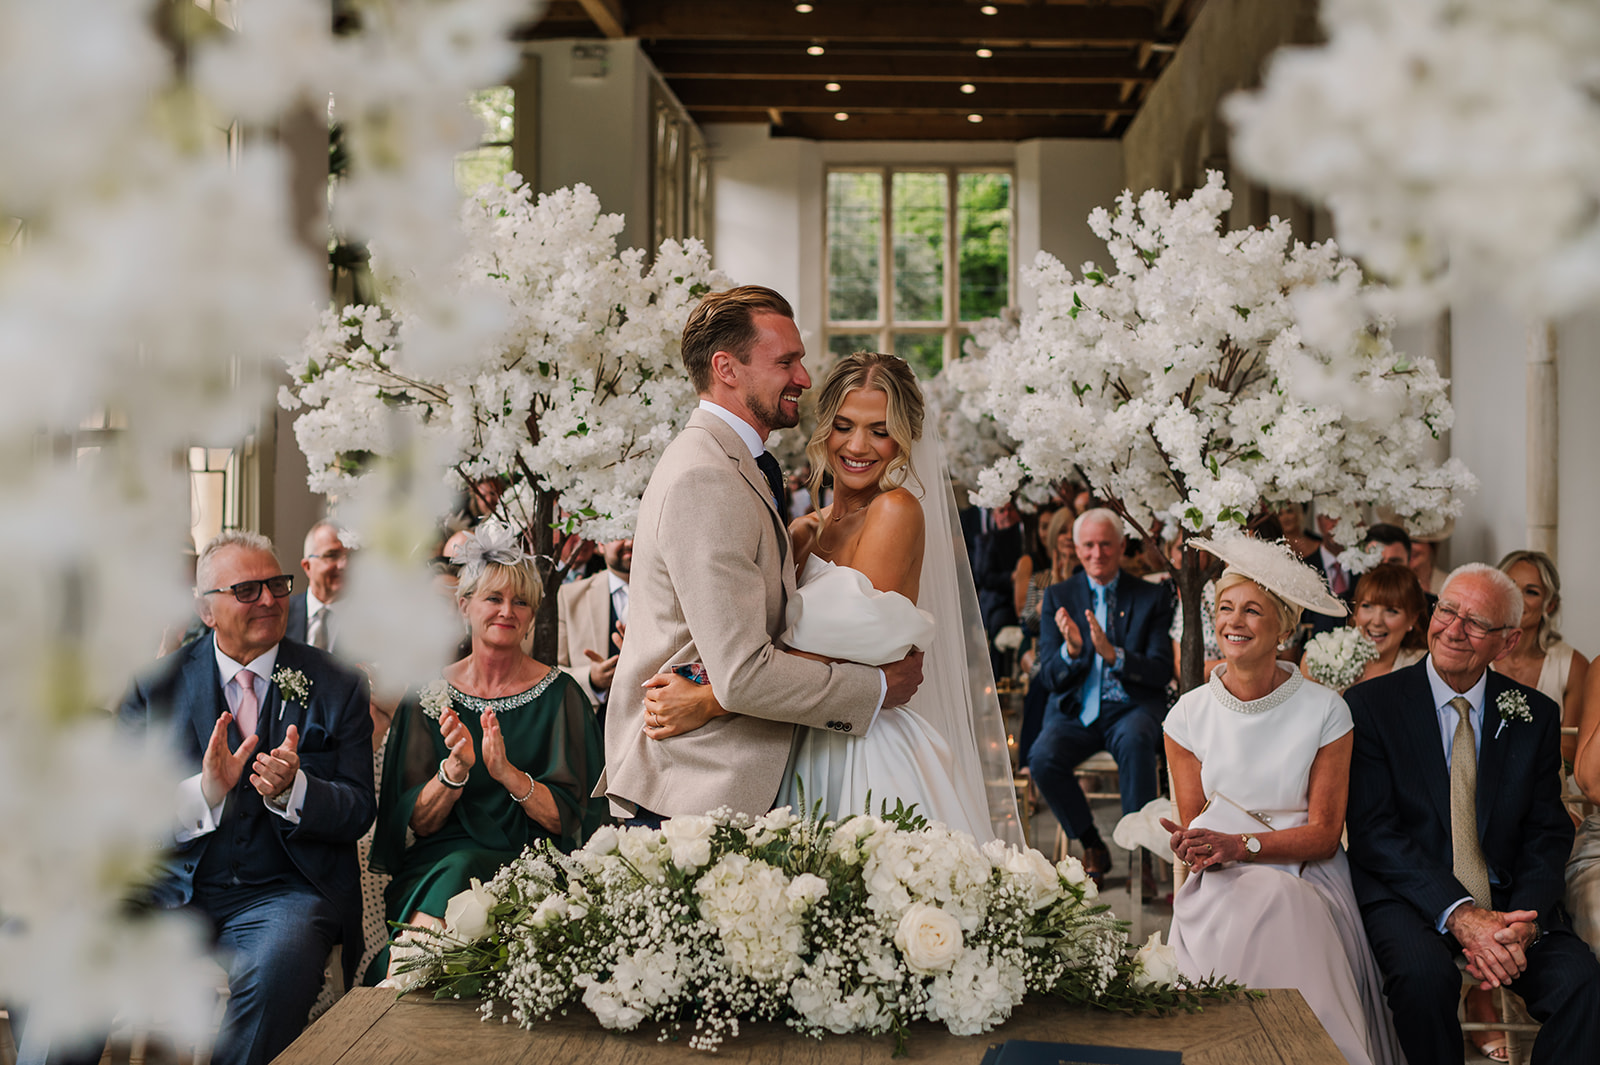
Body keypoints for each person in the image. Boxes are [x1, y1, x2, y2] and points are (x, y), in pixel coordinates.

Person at [642, 352, 1022, 843]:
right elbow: (751, 633)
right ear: (825, 430)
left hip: (866, 751)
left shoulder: (896, 510)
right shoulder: (801, 532)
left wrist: (715, 699)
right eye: (844, 426)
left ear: (904, 441)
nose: (858, 445)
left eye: (879, 431)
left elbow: (843, 648)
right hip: (792, 741)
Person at [598, 286, 925, 826]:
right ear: (727, 368)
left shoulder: (742, 469)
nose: (803, 377)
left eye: (879, 430)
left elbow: (752, 639)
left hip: (798, 758)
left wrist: (705, 690)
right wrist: (880, 686)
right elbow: (745, 670)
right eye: (786, 361)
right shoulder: (709, 475)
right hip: (700, 784)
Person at [120, 531, 374, 1065]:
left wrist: (295, 789)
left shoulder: (337, 685)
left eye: (278, 585)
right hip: (165, 891)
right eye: (247, 590)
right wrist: (204, 791)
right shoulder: (153, 687)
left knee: (284, 961)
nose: (269, 600)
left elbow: (357, 808)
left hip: (282, 895)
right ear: (205, 610)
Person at [1346, 563, 1600, 1065]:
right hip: (1411, 899)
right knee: (1424, 980)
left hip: (1510, 906)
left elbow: (1546, 833)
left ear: (1507, 643)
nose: (1454, 630)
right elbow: (1376, 833)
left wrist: (1520, 923)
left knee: (1581, 984)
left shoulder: (1534, 713)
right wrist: (1461, 915)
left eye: (1477, 622)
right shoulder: (1372, 706)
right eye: (1447, 610)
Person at [1159, 536, 1400, 1065]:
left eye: (1252, 610)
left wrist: (1239, 844)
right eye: (1225, 608)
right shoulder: (1186, 717)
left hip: (1306, 872)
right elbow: (1196, 824)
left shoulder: (1327, 712)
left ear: (1285, 626)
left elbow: (1322, 833)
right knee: (1252, 906)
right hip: (1220, 879)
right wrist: (1191, 843)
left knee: (1278, 901)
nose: (1233, 622)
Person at [367, 521, 607, 983]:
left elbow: (576, 820)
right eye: (493, 599)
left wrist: (508, 775)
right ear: (464, 606)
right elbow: (416, 822)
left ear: (533, 613)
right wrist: (454, 772)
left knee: (468, 870)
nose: (507, 611)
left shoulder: (562, 697)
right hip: (438, 863)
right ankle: (404, 983)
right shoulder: (427, 694)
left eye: (520, 601)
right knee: (461, 865)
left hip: (532, 862)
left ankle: (394, 982)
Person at [1027, 508, 1175, 880]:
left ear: (1122, 546)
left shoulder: (1150, 596)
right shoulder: (1058, 596)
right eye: (1089, 545)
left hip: (1129, 707)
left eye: (1106, 545)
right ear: (1076, 549)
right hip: (1075, 711)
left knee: (1138, 738)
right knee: (1042, 757)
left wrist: (1115, 655)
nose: (1097, 554)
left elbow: (1160, 671)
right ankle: (1092, 842)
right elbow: (1049, 677)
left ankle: (1139, 851)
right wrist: (1072, 652)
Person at [1302, 563, 1428, 691]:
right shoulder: (1322, 656)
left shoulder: (1422, 668)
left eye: (1391, 611)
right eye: (1367, 606)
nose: (1377, 621)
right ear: (1355, 612)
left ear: (1412, 619)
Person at [556, 536, 632, 725]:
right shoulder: (569, 596)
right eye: (620, 536)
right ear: (600, 543)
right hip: (595, 724)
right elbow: (551, 670)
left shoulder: (672, 591)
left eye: (635, 533)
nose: (629, 542)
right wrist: (591, 679)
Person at [287, 521, 353, 653]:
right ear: (307, 566)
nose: (343, 565)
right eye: (332, 555)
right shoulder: (282, 614)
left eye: (350, 556)